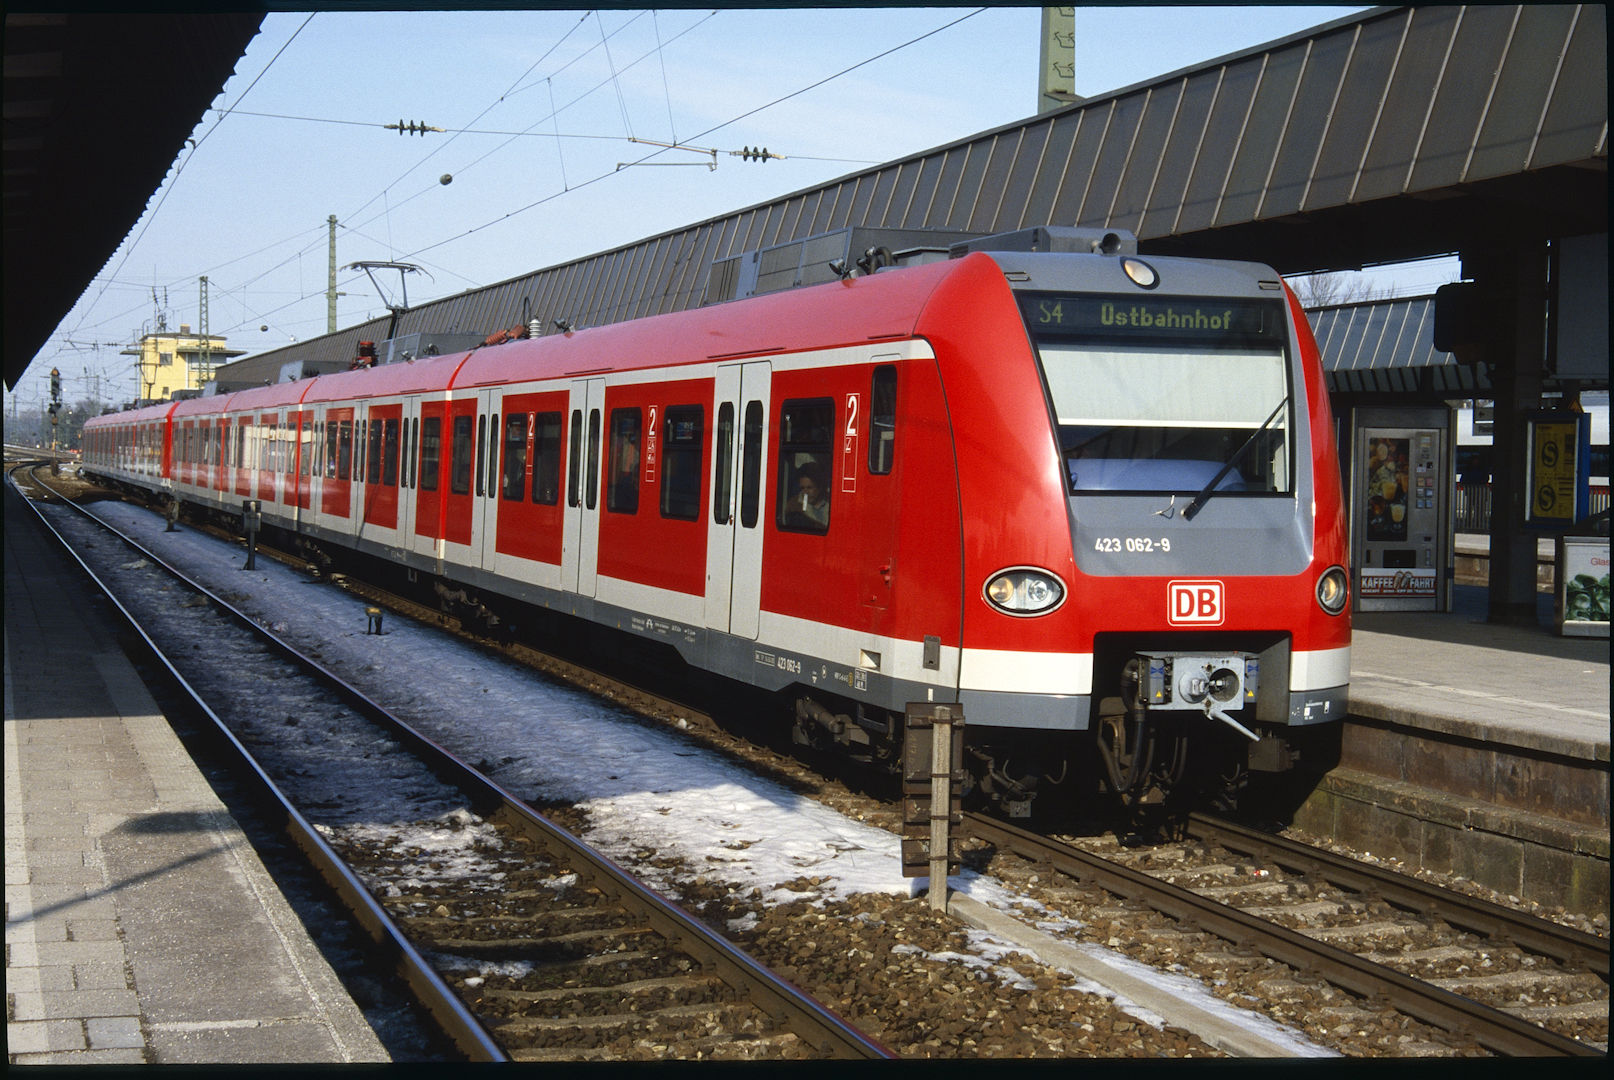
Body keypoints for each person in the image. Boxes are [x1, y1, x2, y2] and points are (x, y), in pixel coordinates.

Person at [793, 462, 829, 528]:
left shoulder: (831, 504)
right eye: (802, 488)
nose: (805, 492)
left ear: (820, 487)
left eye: (809, 488)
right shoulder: (794, 506)